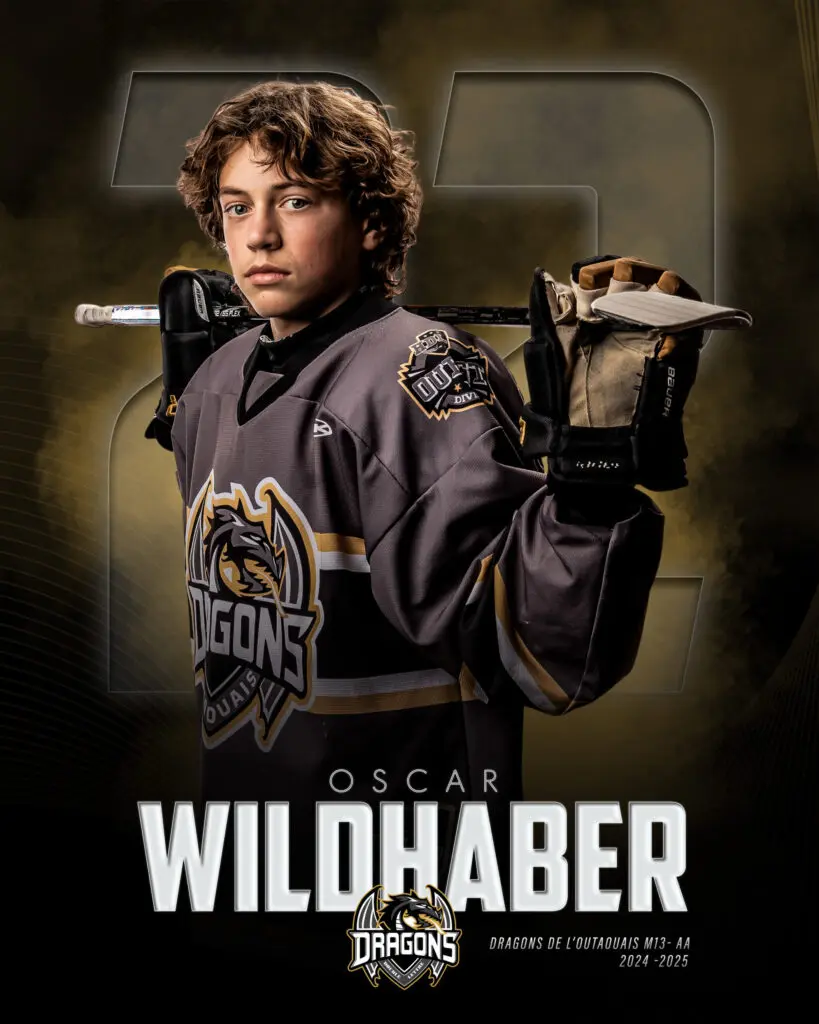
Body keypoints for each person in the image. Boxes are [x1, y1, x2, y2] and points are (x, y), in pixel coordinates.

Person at [150, 79, 701, 896]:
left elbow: (536, 653)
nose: (257, 235)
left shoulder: (416, 379)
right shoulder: (218, 377)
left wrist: (591, 482)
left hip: (401, 874)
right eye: (237, 207)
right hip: (244, 855)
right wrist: (194, 401)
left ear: (371, 222)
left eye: (295, 201)